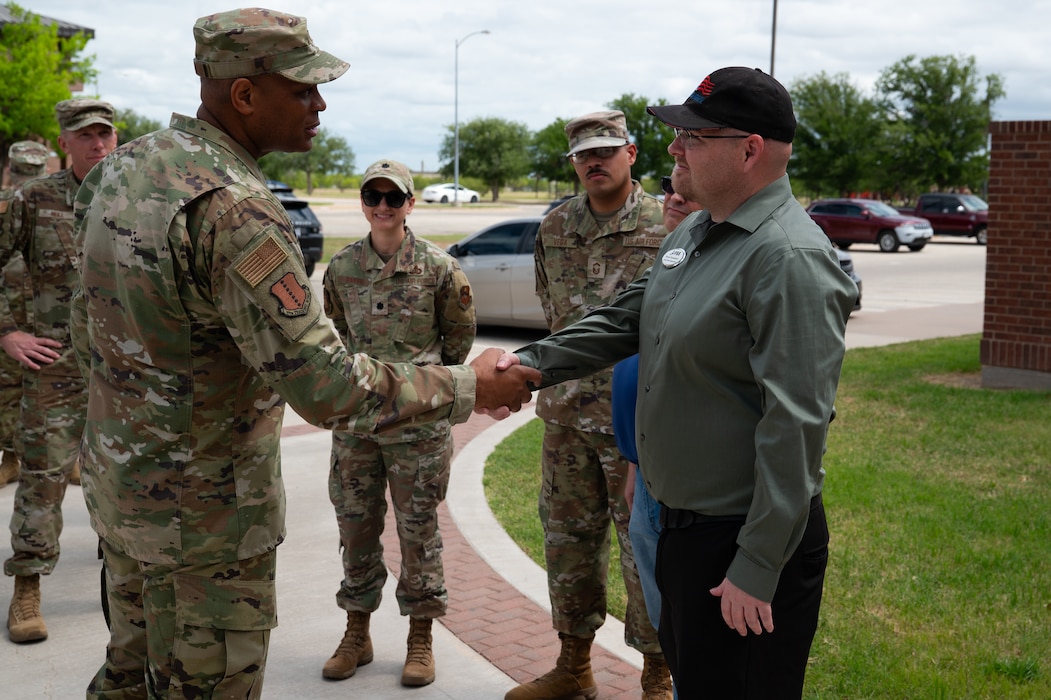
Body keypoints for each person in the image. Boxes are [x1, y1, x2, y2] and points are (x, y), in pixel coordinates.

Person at [70, 9, 536, 699]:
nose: (320, 104)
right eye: (303, 89)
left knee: (128, 679)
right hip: (206, 530)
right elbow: (326, 386)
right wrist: (466, 388)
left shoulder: (122, 170)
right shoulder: (234, 210)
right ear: (245, 95)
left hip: (124, 500)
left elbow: (88, 331)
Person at [492, 67, 858, 698]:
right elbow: (624, 318)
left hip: (738, 541)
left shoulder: (788, 259)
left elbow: (795, 427)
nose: (675, 148)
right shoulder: (695, 231)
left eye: (694, 135)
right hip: (681, 528)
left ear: (749, 150)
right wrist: (530, 364)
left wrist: (757, 564)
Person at [506, 110, 671, 700]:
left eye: (606, 150)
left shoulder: (667, 223)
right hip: (567, 420)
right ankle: (574, 666)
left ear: (631, 152)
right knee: (567, 543)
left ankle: (658, 675)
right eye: (583, 155)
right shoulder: (554, 227)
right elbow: (555, 315)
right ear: (573, 163)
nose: (594, 162)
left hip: (636, 423)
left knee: (643, 551)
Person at [320, 159, 476, 687]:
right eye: (373, 196)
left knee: (418, 533)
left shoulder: (440, 268)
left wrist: (422, 392)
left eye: (393, 197)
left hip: (418, 429)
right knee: (355, 528)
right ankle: (357, 632)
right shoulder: (341, 268)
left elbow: (457, 344)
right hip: (358, 427)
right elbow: (337, 338)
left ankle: (420, 637)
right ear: (363, 203)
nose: (382, 207)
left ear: (410, 203)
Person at [0, 101, 118, 644]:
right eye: (85, 135)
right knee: (44, 477)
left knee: (122, 476)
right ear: (63, 142)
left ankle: (125, 579)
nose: (97, 144)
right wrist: (8, 332)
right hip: (56, 366)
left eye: (104, 133)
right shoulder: (33, 197)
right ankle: (28, 587)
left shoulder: (131, 199)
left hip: (123, 370)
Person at [612, 174, 704, 700]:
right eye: (670, 187)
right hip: (645, 469)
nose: (674, 196)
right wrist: (633, 463)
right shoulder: (668, 265)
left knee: (694, 628)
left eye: (688, 191)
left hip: (689, 484)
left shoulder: (715, 269)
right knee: (666, 613)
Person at [0, 141, 49, 489]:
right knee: (7, 387)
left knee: (54, 389)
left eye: (33, 174)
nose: (26, 180)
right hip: (10, 312)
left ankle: (61, 457)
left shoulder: (54, 201)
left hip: (48, 312)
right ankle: (10, 458)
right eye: (22, 173)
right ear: (11, 170)